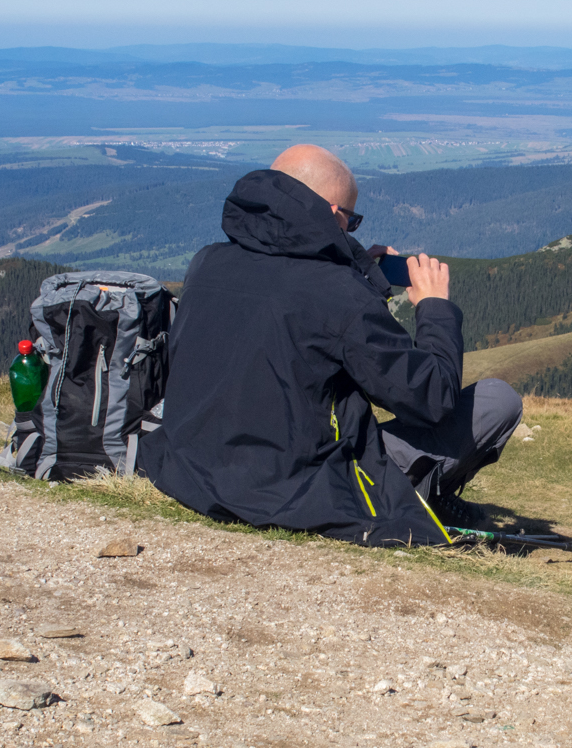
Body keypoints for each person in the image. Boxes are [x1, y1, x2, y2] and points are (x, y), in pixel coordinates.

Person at [138, 144, 522, 545]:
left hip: (192, 471)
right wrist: (435, 308)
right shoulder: (338, 293)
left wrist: (362, 273)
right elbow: (431, 396)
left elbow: (301, 307)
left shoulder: (206, 262)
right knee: (498, 399)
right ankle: (430, 496)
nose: (351, 230)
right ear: (333, 212)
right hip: (299, 489)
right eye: (351, 221)